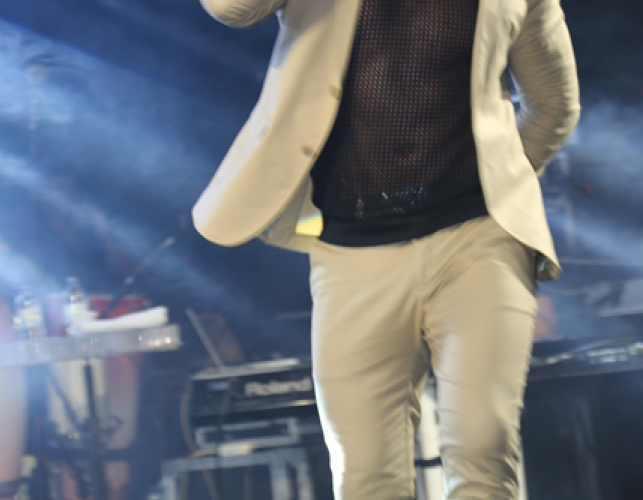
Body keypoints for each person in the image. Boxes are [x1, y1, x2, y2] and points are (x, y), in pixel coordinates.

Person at [192, 0, 580, 496]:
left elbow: (553, 103)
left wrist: (500, 186)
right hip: (351, 251)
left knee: (482, 447)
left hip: (477, 240)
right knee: (365, 477)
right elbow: (232, 9)